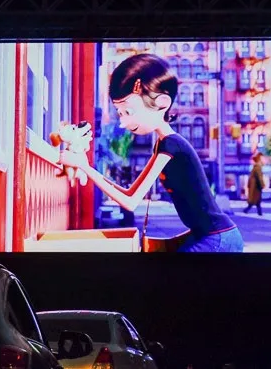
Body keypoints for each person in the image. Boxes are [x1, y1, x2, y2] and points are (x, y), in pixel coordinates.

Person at [59, 53, 244, 253]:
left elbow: (130, 202)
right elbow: (130, 194)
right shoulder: (163, 144)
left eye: (128, 112)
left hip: (217, 238)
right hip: (206, 235)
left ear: (163, 103)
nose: (123, 122)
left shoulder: (171, 145)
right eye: (120, 113)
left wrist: (84, 166)